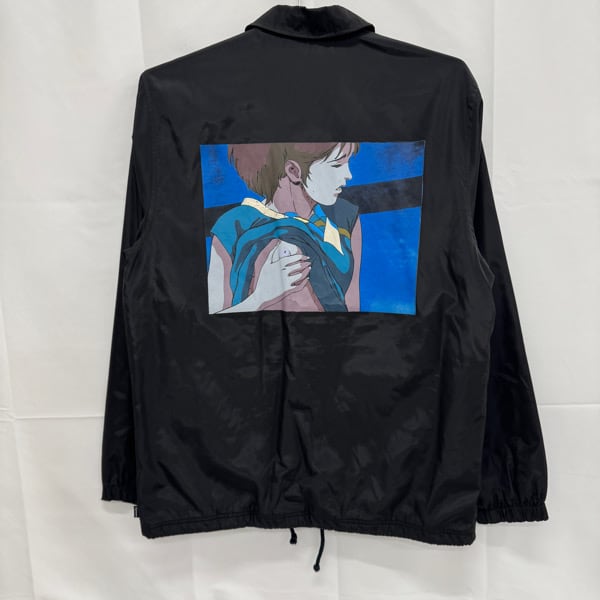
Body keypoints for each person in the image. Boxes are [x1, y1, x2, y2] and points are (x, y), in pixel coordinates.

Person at [207, 141, 362, 313]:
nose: (349, 175)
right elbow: (212, 319)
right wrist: (261, 297)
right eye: (337, 164)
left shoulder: (344, 217)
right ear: (293, 171)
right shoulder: (233, 226)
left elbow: (352, 308)